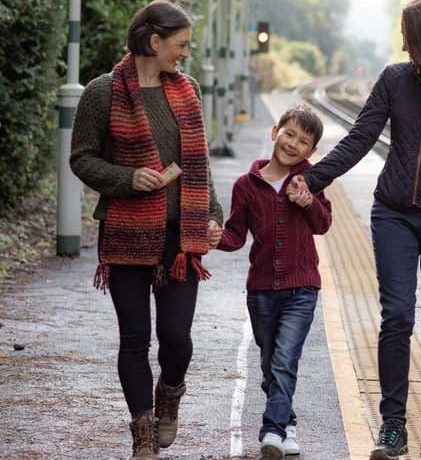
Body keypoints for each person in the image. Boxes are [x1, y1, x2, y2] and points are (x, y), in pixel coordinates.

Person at [288, 0, 421, 457]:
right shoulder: (394, 80)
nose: (404, 44)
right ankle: (392, 425)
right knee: (397, 316)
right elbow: (360, 138)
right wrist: (311, 178)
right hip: (394, 213)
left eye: (410, 35)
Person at [68, 1, 223, 458]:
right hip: (126, 235)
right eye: (180, 45)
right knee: (134, 338)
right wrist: (127, 178)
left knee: (176, 338)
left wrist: (212, 216)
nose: (185, 55)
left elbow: (199, 166)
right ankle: (143, 433)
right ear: (154, 42)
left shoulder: (188, 90)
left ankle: (170, 393)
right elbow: (81, 158)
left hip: (180, 239)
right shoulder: (103, 92)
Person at [217, 105, 330, 460]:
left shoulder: (310, 180)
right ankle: (288, 422)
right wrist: (213, 237)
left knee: (284, 360)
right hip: (262, 290)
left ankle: (272, 430)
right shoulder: (245, 186)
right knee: (269, 365)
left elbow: (323, 223)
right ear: (274, 132)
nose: (294, 143)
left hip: (301, 288)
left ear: (312, 152)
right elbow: (235, 235)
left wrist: (308, 201)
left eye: (304, 141)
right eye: (289, 133)